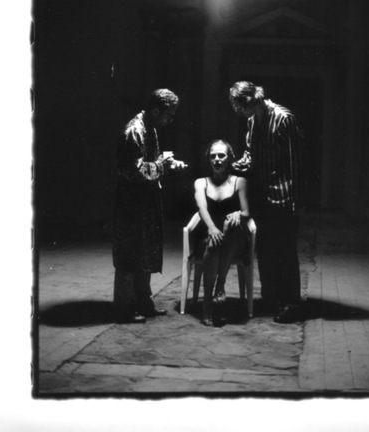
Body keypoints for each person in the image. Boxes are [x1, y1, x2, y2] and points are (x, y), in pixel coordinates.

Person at [229, 81, 304, 324]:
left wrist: (296, 202)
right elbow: (251, 155)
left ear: (252, 100)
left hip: (283, 198)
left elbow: (295, 163)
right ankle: (272, 298)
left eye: (240, 106)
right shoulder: (253, 120)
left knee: (285, 251)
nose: (238, 112)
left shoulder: (284, 119)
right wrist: (237, 164)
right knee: (265, 250)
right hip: (261, 196)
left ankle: (291, 303)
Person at [112, 88, 187, 323]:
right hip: (132, 205)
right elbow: (135, 171)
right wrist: (162, 165)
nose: (170, 120)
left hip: (146, 202)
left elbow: (149, 163)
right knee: (130, 255)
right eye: (168, 115)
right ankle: (124, 308)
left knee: (145, 253)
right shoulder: (134, 131)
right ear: (156, 111)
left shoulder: (150, 127)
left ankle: (143, 301)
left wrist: (166, 163)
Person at [192, 139, 255, 327]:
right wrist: (212, 228)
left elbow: (246, 211)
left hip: (235, 241)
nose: (217, 160)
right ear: (208, 159)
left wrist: (238, 214)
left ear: (230, 159)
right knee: (213, 244)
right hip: (208, 237)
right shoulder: (201, 183)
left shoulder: (239, 182)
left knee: (230, 224)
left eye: (221, 155)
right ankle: (210, 302)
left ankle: (219, 286)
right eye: (213, 156)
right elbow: (202, 208)